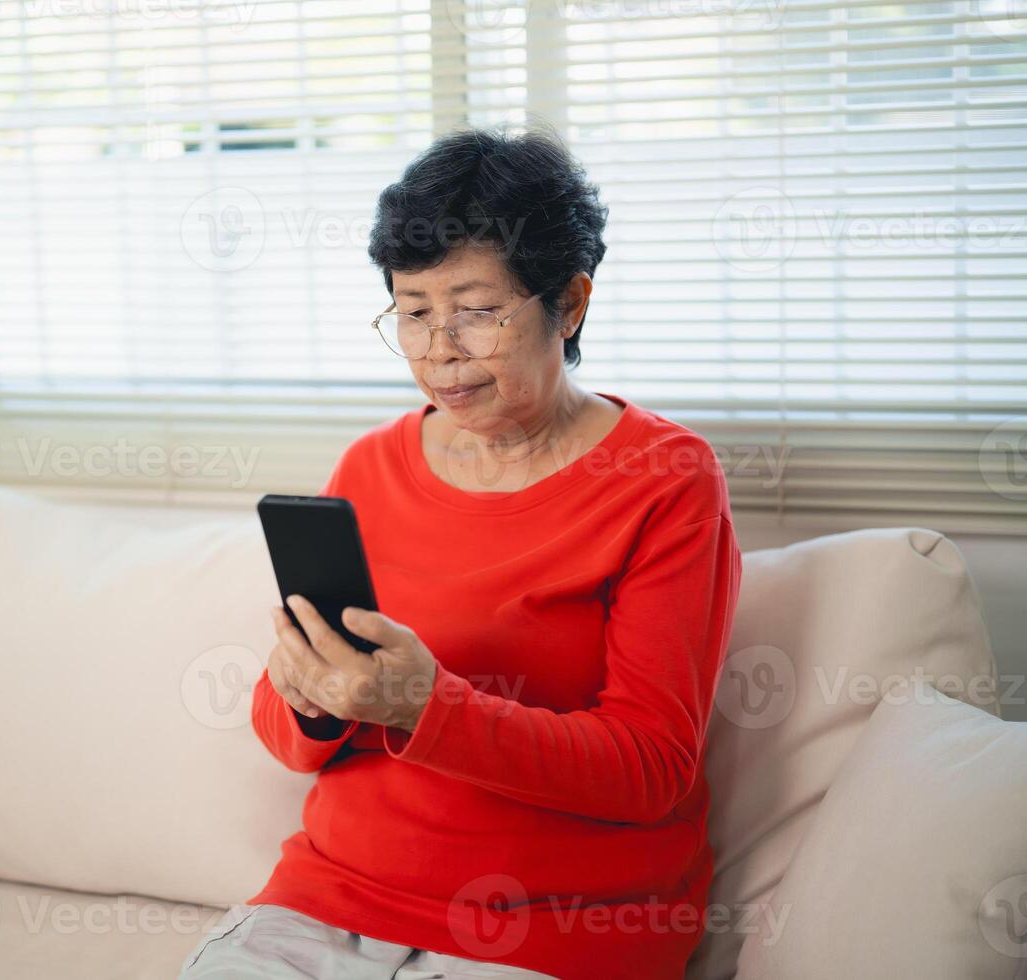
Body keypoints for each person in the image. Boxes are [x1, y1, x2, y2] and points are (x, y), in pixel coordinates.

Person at [180, 124, 743, 980]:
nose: (440, 352)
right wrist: (309, 695)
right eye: (413, 314)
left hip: (559, 923)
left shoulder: (664, 479)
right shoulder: (370, 465)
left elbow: (649, 767)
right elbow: (286, 734)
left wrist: (425, 705)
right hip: (332, 900)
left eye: (476, 312)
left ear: (572, 302)